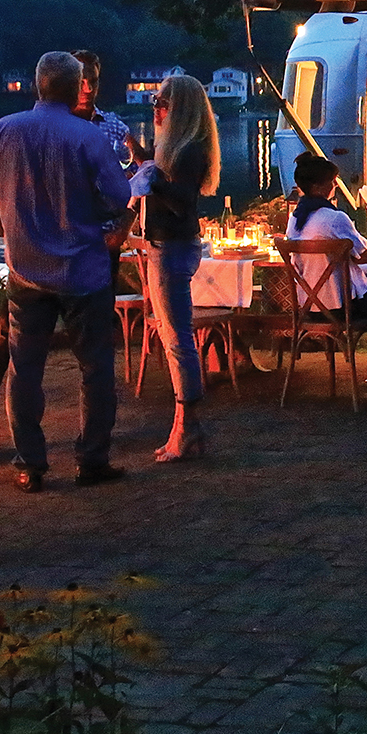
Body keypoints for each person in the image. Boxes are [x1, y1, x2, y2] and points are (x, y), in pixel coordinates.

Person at [0, 50, 132, 435]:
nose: (88, 87)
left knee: (55, 360)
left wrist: (116, 225)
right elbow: (116, 196)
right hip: (58, 258)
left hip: (79, 256)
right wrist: (13, 229)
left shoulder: (107, 128)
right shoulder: (68, 134)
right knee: (28, 342)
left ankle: (39, 454)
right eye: (82, 80)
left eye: (94, 80)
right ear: (70, 85)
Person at [133, 73, 221, 462]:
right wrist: (142, 159)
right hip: (167, 246)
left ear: (180, 108)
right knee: (175, 337)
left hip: (171, 248)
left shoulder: (188, 151)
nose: (156, 109)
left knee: (177, 339)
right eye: (155, 102)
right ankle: (184, 426)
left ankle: (187, 426)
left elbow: (181, 202)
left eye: (162, 103)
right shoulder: (177, 148)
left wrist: (152, 180)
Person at [286, 153, 367, 318]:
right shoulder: (335, 218)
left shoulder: (294, 220)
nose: (335, 186)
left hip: (309, 306)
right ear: (319, 187)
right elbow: (363, 257)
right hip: (344, 307)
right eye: (332, 181)